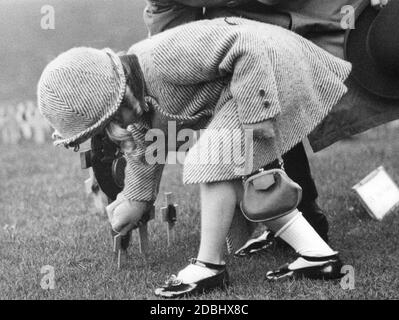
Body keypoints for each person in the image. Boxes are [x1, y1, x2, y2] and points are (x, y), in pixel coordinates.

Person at [37, 17, 351, 297]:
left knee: (210, 159)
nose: (117, 128)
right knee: (244, 177)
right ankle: (318, 256)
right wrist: (133, 200)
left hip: (270, 68)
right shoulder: (136, 100)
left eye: (111, 117)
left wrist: (257, 110)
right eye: (106, 126)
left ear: (118, 91)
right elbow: (147, 149)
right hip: (244, 84)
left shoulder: (161, 59)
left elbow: (248, 45)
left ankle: (209, 267)